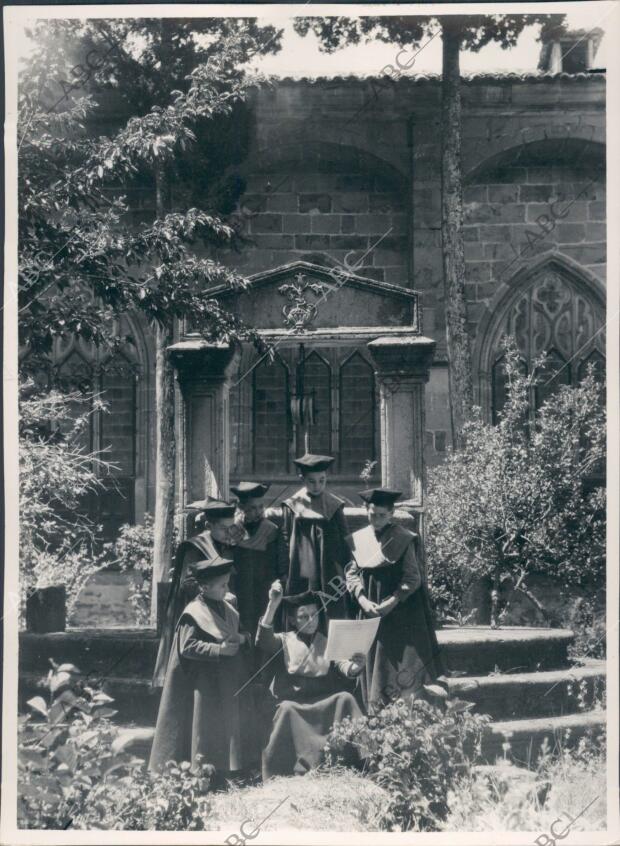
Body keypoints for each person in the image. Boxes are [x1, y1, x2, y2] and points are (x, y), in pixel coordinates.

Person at [149, 556, 256, 779]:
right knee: (205, 725)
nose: (227, 589)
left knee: (227, 721)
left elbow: (244, 632)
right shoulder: (194, 613)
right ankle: (202, 770)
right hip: (204, 681)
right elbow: (187, 646)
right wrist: (218, 650)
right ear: (205, 587)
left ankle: (229, 769)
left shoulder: (228, 607)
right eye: (222, 585)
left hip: (228, 678)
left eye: (227, 584)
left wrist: (242, 639)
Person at [345, 488, 444, 711]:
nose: (377, 519)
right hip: (371, 608)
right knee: (372, 660)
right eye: (372, 514)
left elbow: (413, 577)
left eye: (382, 515)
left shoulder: (402, 538)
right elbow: (351, 573)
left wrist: (393, 601)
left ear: (391, 514)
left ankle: (406, 711)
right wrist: (361, 599)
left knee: (397, 664)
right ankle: (375, 712)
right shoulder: (358, 539)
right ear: (366, 511)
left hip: (400, 611)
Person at [256, 579, 364, 780]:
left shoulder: (326, 640)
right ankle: (281, 770)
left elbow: (342, 664)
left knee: (345, 698)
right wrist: (272, 605)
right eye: (303, 616)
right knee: (286, 709)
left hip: (322, 700)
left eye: (314, 615)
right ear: (293, 619)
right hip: (295, 704)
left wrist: (355, 668)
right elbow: (263, 639)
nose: (310, 620)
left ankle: (361, 760)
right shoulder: (284, 639)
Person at [152, 499, 243, 686]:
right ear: (209, 526)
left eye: (231, 528)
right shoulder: (194, 547)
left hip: (220, 608)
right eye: (224, 529)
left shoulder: (224, 544)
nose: (229, 533)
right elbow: (188, 583)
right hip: (198, 614)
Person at [280, 453, 350, 619]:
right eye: (312, 481)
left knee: (331, 606)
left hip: (329, 567)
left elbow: (346, 539)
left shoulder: (334, 505)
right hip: (300, 567)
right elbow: (285, 535)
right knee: (302, 608)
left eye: (322, 480)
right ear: (302, 479)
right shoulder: (292, 505)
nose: (317, 486)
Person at [229, 482, 280, 636]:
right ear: (241, 507)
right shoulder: (232, 528)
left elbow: (273, 563)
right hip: (237, 582)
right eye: (252, 508)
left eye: (260, 507)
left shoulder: (270, 529)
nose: (258, 512)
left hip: (261, 584)